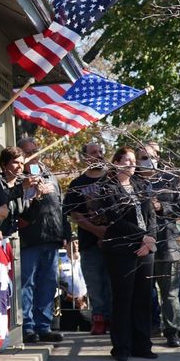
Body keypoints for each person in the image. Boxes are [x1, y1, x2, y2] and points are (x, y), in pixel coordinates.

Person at [1, 145, 70, 343]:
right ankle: (28, 327)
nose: (34, 153)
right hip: (29, 237)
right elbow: (18, 210)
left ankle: (44, 326)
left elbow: (61, 205)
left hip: (52, 236)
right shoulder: (18, 179)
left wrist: (65, 232)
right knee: (27, 283)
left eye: (35, 149)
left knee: (48, 283)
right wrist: (33, 194)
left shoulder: (50, 176)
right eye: (28, 150)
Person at [95, 147, 158, 361]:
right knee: (123, 298)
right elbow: (115, 219)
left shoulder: (142, 185)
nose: (131, 164)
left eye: (133, 161)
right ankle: (121, 346)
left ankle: (142, 344)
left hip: (146, 248)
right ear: (116, 163)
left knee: (144, 297)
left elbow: (151, 217)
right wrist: (142, 237)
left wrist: (150, 240)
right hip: (122, 249)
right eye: (126, 161)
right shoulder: (107, 188)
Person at [137, 142, 180, 347]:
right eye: (142, 157)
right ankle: (148, 329)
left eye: (150, 156)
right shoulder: (131, 181)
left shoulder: (171, 179)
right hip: (140, 244)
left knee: (169, 292)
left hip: (167, 242)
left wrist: (162, 207)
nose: (147, 161)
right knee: (143, 292)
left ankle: (172, 331)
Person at [63, 142, 112, 335]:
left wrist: (107, 232)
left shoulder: (113, 180)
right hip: (89, 243)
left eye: (101, 152)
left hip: (114, 243)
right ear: (86, 157)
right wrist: (96, 230)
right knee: (94, 284)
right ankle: (99, 319)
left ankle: (114, 319)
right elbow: (75, 215)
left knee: (112, 283)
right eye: (94, 152)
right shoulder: (77, 185)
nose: (99, 155)